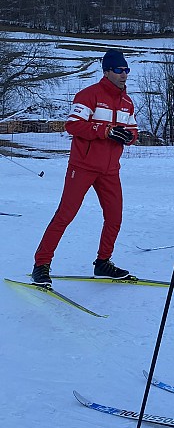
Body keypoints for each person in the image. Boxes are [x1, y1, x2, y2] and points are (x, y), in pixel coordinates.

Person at [31, 49, 137, 286]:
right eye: (119, 70)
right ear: (106, 71)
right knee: (65, 215)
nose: (124, 75)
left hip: (110, 169)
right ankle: (41, 264)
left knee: (114, 217)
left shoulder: (127, 102)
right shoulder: (89, 95)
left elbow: (133, 131)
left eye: (126, 70)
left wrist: (128, 137)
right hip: (83, 166)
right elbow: (73, 125)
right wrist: (104, 131)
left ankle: (103, 262)